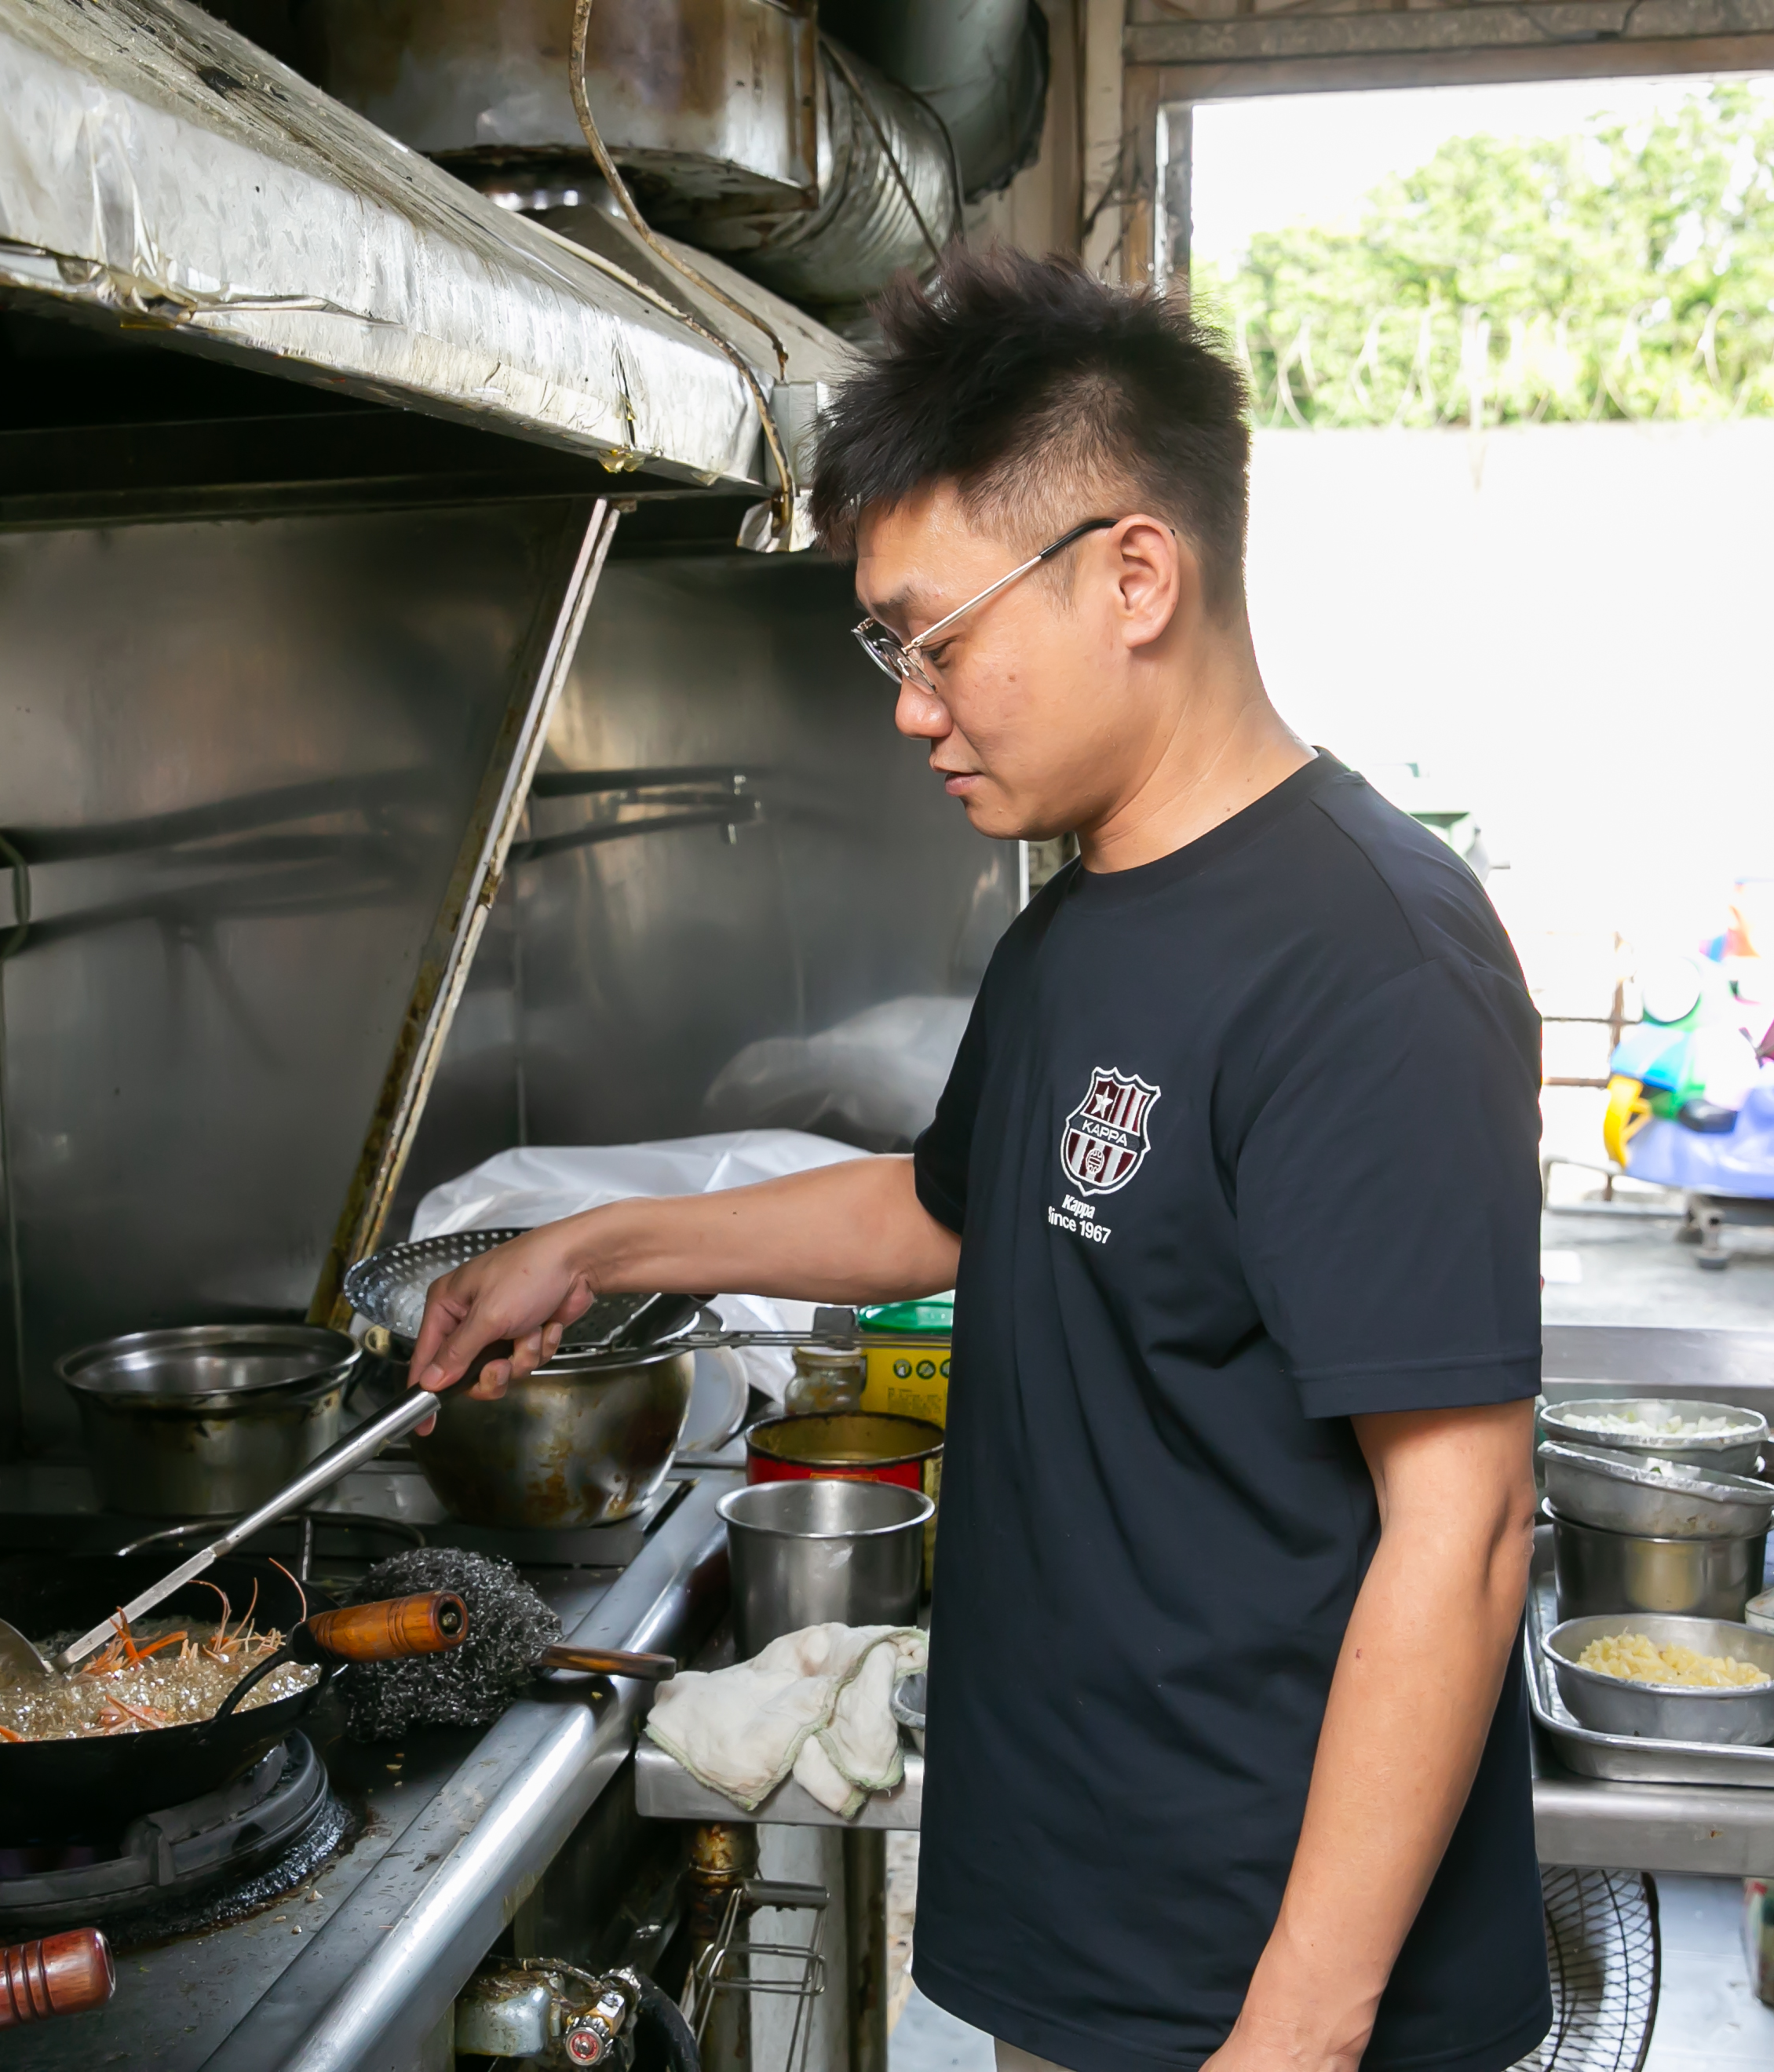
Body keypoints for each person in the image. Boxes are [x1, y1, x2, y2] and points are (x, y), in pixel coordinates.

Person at [408, 246, 1549, 2072]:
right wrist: (600, 1245)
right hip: (1086, 1929)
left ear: (1136, 576)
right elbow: (942, 1209)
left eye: (935, 639)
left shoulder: (1372, 960)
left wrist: (1298, 2031)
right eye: (891, 649)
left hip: (1256, 1976)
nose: (910, 704)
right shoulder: (1075, 926)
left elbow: (1465, 1527)